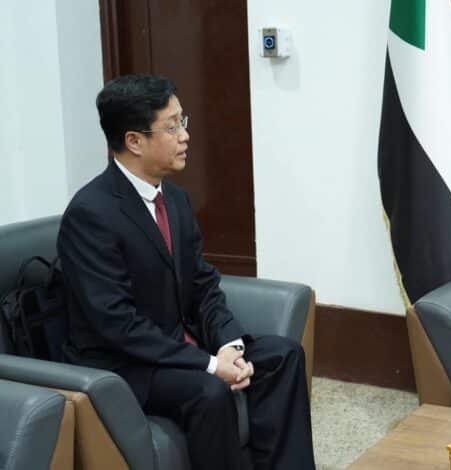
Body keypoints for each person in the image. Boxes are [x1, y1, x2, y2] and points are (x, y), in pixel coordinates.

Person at [57, 74, 315, 470]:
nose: (185, 136)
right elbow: (116, 323)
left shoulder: (175, 199)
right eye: (172, 126)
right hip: (126, 363)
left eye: (183, 121)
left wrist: (229, 345)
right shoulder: (91, 214)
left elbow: (202, 285)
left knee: (284, 355)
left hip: (179, 345)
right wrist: (209, 364)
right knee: (209, 391)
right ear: (134, 141)